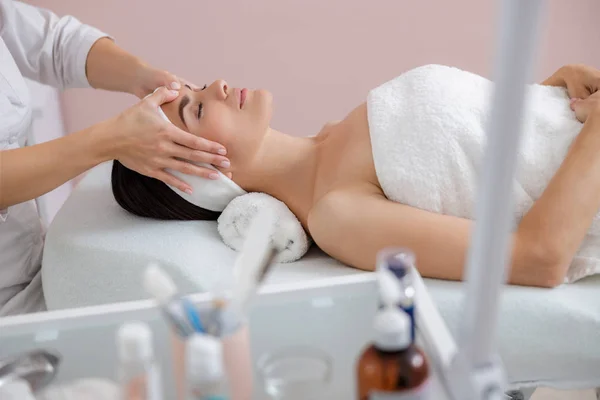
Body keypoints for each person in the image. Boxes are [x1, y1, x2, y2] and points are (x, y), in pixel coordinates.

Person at [112, 63, 600, 289]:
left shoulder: (340, 133)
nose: (217, 83)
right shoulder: (337, 215)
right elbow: (539, 259)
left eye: (197, 86)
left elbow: (482, 149)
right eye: (198, 109)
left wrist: (552, 90)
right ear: (199, 174)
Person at [0, 1, 233, 316]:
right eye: (198, 110)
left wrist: (142, 76)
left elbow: (53, 42)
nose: (221, 85)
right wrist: (110, 140)